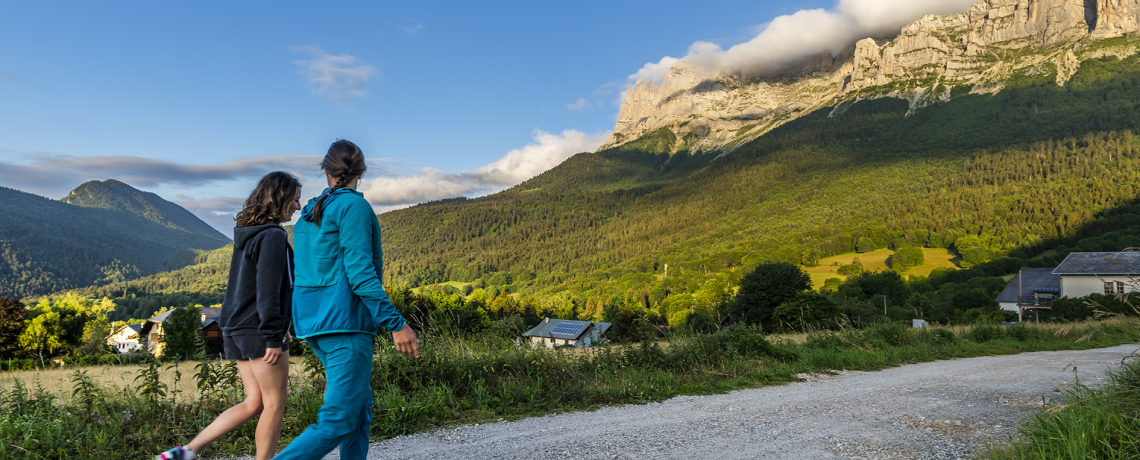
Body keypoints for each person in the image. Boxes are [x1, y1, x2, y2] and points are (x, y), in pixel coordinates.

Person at [274, 139, 419, 460]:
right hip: (345, 324)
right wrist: (396, 324)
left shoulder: (310, 212)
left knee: (358, 409)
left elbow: (305, 274)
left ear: (326, 170)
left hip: (314, 323)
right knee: (338, 419)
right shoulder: (353, 207)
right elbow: (360, 274)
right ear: (361, 172)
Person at [157, 172, 302, 460]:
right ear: (281, 198)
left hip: (235, 328)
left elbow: (249, 288)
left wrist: (280, 325)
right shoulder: (272, 236)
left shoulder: (249, 233)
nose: (298, 206)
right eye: (295, 199)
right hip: (259, 331)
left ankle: (187, 451)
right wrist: (274, 333)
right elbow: (268, 289)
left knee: (254, 403)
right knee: (275, 404)